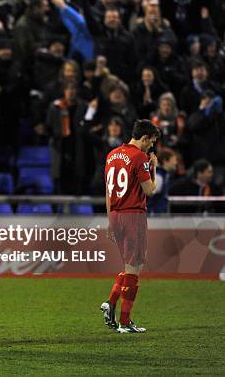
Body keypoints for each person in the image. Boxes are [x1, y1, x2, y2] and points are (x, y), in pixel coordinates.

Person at [101, 119, 161, 333]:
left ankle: (110, 303)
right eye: (151, 142)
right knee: (134, 268)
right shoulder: (139, 157)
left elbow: (109, 193)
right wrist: (153, 169)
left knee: (129, 266)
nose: (151, 146)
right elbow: (149, 190)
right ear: (144, 138)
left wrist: (110, 220)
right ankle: (125, 322)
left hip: (116, 215)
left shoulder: (112, 155)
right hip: (133, 215)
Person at [147, 149, 178, 214]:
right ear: (165, 161)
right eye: (173, 160)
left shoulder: (165, 176)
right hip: (154, 215)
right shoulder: (159, 177)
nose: (175, 163)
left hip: (159, 215)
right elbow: (149, 196)